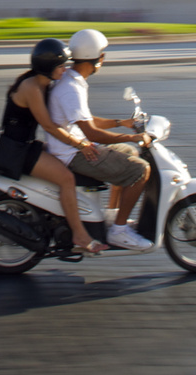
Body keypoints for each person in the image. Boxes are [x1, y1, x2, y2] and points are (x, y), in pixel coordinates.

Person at [0, 37, 108, 256]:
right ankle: (79, 235)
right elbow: (50, 126)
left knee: (61, 163)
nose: (65, 69)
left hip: (25, 145)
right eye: (61, 66)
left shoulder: (43, 84)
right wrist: (80, 144)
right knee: (66, 178)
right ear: (47, 67)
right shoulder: (32, 87)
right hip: (18, 150)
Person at [47, 28, 154, 251]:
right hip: (73, 154)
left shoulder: (72, 79)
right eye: (103, 54)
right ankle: (119, 232)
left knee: (128, 153)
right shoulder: (71, 88)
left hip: (75, 147)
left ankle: (113, 215)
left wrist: (120, 122)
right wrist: (133, 136)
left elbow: (85, 120)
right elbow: (92, 133)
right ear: (96, 58)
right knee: (141, 170)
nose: (104, 58)